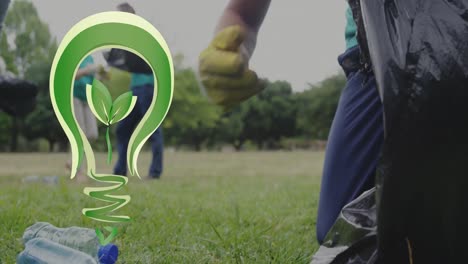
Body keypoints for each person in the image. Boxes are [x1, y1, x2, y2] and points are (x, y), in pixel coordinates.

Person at [198, 0, 383, 247]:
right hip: (373, 58)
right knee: (344, 232)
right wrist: (226, 51)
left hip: (452, 37)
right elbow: (242, 13)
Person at [113, 2, 164, 180]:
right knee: (122, 130)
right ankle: (120, 171)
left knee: (152, 129)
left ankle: (155, 172)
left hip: (147, 87)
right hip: (135, 88)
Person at [69, 55, 100, 182]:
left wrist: (100, 75)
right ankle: (79, 172)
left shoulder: (90, 58)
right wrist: (86, 71)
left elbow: (94, 80)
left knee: (92, 134)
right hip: (74, 96)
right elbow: (70, 76)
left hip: (87, 98)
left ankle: (72, 160)